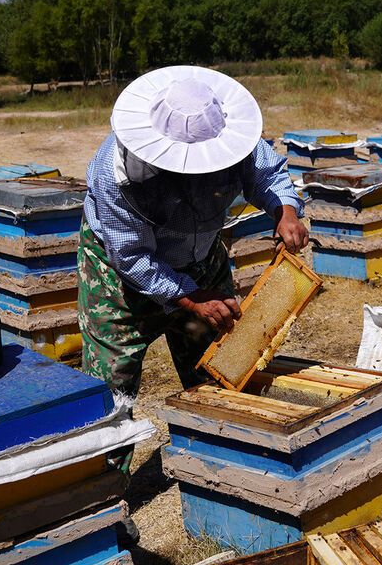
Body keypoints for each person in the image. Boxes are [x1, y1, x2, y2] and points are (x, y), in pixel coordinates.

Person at [78, 65, 308, 422]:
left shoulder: (236, 138)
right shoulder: (114, 175)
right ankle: (109, 472)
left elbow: (266, 173)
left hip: (200, 255)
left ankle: (215, 457)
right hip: (121, 275)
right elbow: (133, 256)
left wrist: (285, 211)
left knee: (221, 365)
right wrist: (190, 297)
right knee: (111, 390)